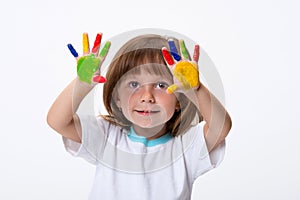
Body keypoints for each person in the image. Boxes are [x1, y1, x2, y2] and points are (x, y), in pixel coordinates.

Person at [47, 32, 232, 200]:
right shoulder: (106, 137)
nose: (147, 97)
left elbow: (221, 126)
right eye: (134, 84)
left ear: (179, 101)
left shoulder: (186, 148)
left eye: (160, 85)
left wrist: (195, 89)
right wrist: (81, 84)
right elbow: (58, 121)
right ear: (117, 97)